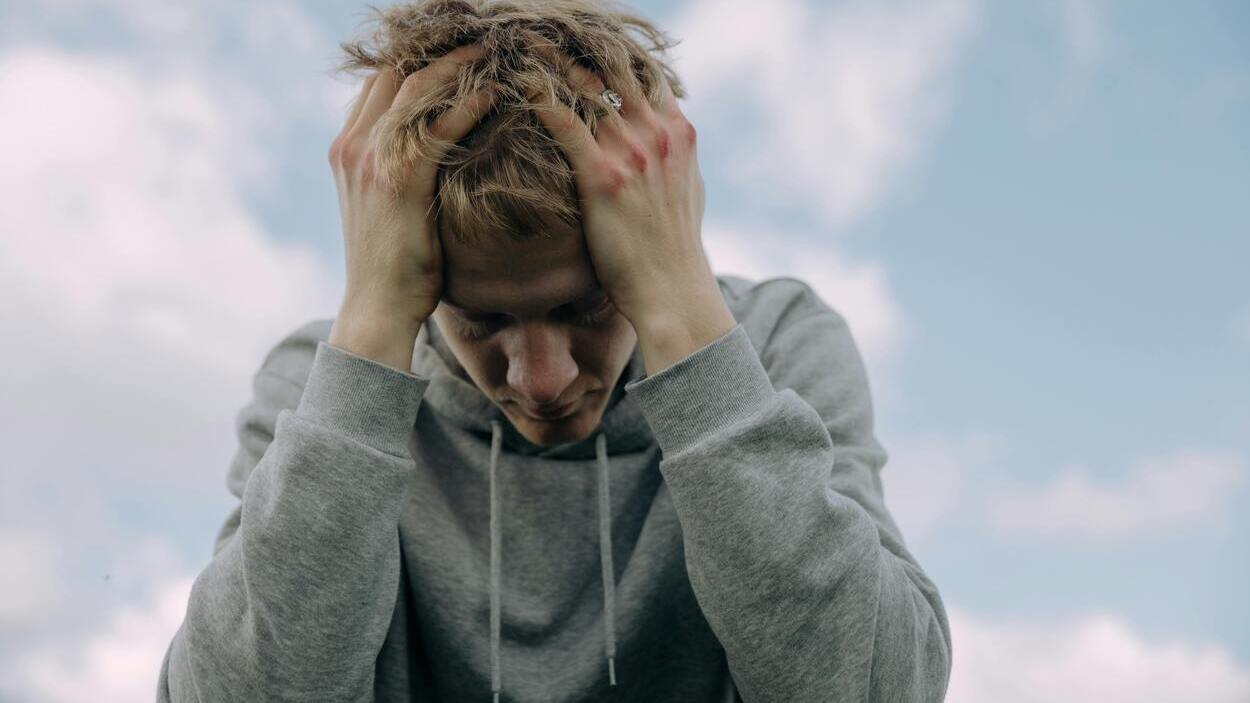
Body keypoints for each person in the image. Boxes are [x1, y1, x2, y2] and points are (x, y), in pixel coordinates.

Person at [156, 0, 952, 701]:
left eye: (587, 307)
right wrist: (368, 330)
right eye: (480, 321)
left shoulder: (778, 344)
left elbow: (881, 687)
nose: (542, 379)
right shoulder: (319, 388)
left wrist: (685, 319)